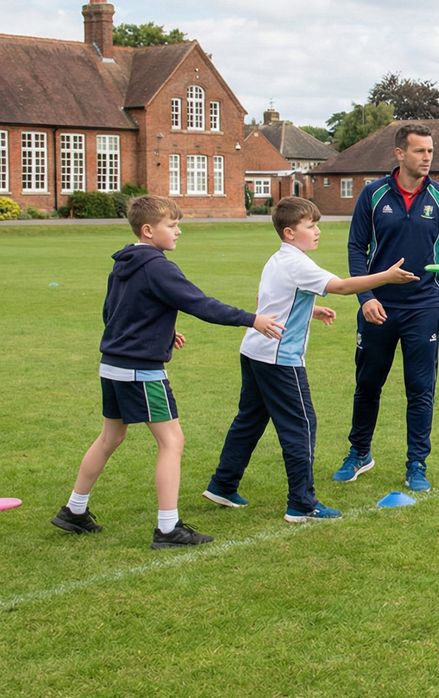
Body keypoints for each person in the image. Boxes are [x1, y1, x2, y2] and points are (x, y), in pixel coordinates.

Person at [52, 195, 283, 549]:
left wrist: (159, 331)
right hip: (139, 371)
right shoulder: (158, 266)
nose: (178, 232)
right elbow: (199, 304)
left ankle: (74, 510)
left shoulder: (124, 261)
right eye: (172, 226)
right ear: (148, 230)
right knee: (172, 441)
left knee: (110, 437)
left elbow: (114, 311)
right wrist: (252, 319)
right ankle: (167, 528)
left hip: (112, 365)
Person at [204, 198, 417, 521]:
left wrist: (310, 310)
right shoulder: (298, 263)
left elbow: (269, 299)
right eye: (310, 226)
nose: (318, 231)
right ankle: (302, 504)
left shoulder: (279, 259)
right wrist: (385, 277)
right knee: (301, 426)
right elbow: (343, 287)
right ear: (289, 232)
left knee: (249, 421)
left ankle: (222, 484)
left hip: (254, 352)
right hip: (279, 359)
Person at [334, 123, 439, 493]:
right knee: (367, 385)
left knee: (420, 389)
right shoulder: (373, 194)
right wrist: (368, 298)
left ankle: (417, 464)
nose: (427, 158)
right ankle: (359, 453)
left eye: (430, 151)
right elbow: (356, 250)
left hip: (423, 308)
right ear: (399, 153)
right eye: (419, 151)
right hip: (379, 306)